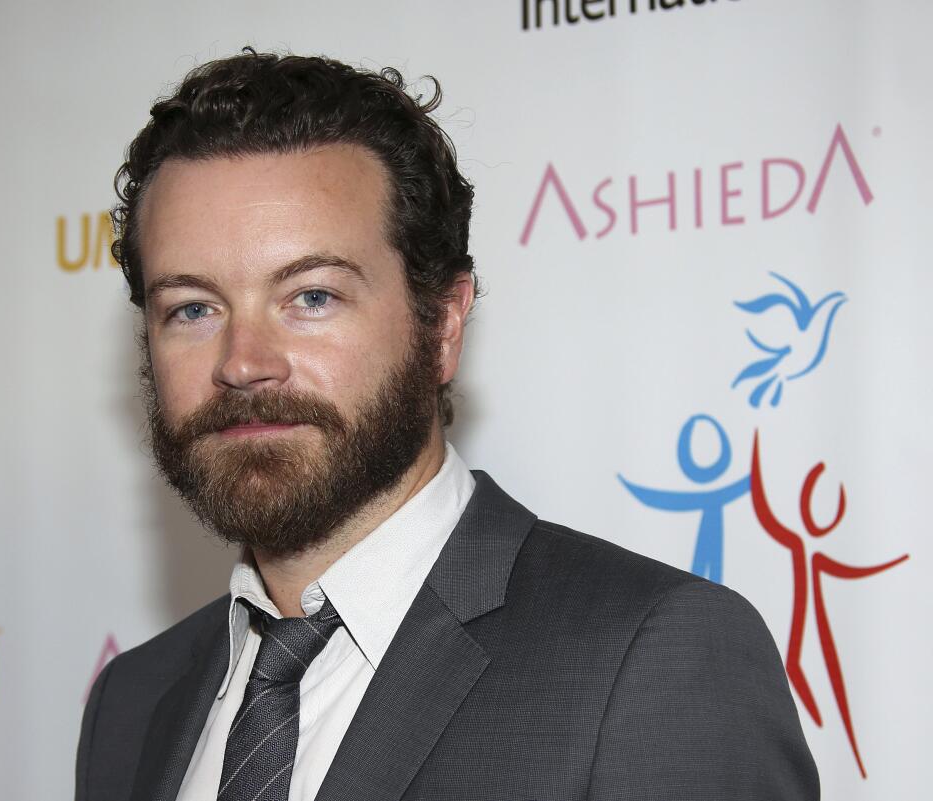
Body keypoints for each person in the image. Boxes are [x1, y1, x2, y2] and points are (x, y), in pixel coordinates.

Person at [76, 50, 819, 801]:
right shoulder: (132, 703)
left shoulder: (649, 662)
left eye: (311, 297)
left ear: (443, 324)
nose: (243, 362)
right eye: (193, 309)